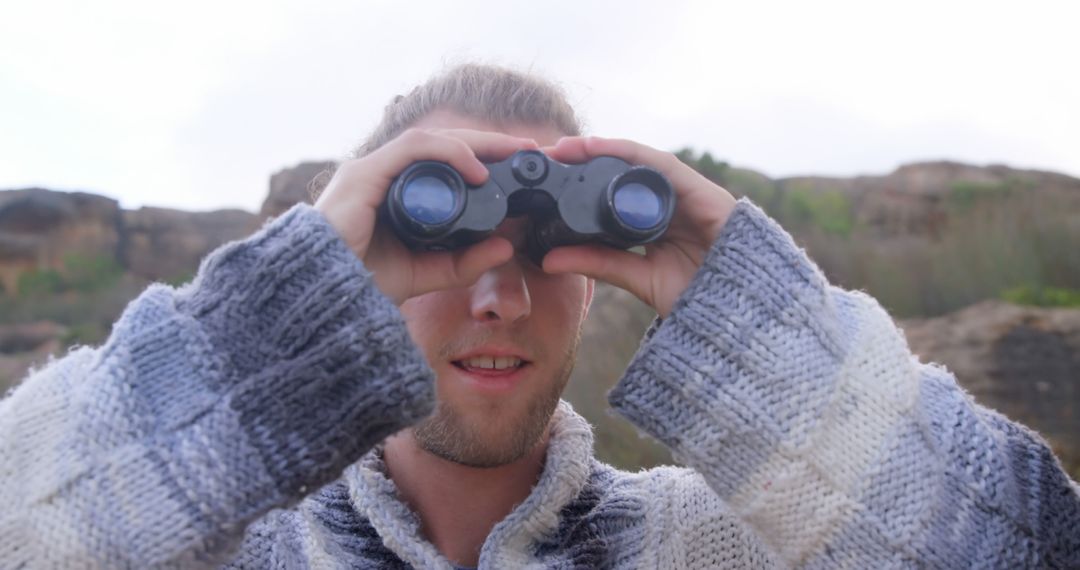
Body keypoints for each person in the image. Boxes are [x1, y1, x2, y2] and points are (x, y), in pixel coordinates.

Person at [0, 63, 1077, 569]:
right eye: (438, 243)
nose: (499, 295)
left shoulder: (709, 547)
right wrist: (272, 324)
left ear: (602, 271)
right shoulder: (222, 548)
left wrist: (768, 336)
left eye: (543, 252)